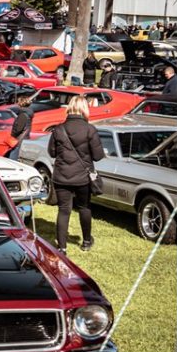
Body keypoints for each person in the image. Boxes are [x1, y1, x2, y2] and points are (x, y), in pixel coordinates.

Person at [47, 95, 105, 254]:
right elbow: (98, 156)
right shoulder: (90, 129)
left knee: (63, 210)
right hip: (82, 177)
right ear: (84, 109)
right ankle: (86, 241)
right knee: (84, 207)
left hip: (61, 175)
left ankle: (62, 247)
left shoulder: (58, 129)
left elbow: (52, 153)